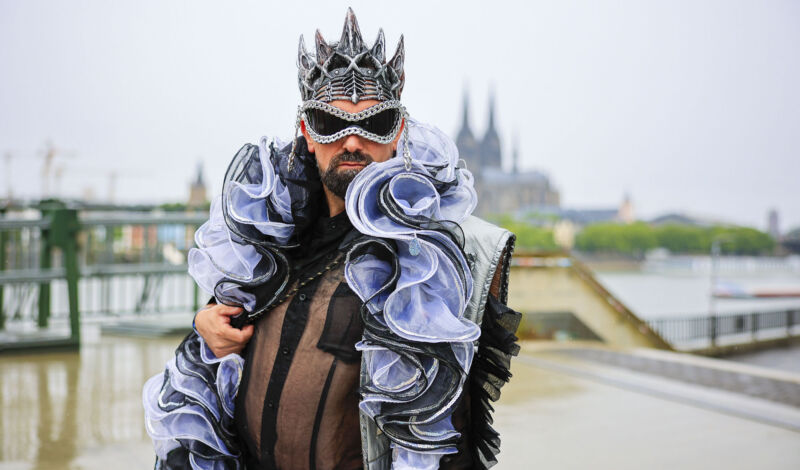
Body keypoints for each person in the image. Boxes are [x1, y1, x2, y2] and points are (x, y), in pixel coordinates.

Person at [143, 9, 520, 470]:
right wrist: (206, 326)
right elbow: (218, 355)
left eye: (374, 124)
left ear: (398, 131)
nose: (352, 142)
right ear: (305, 129)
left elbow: (445, 438)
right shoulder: (261, 232)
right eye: (330, 122)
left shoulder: (440, 259)